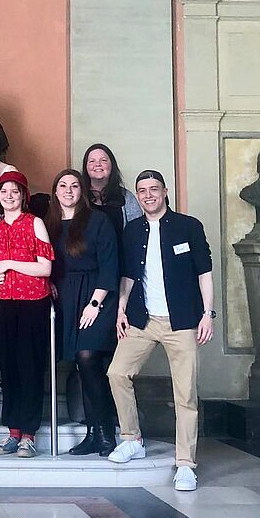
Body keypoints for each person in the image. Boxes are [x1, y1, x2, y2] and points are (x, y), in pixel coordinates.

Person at [107, 170, 214, 492]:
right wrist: (121, 309)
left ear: (165, 191)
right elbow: (127, 274)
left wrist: (207, 315)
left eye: (154, 189)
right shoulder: (133, 229)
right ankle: (131, 438)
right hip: (143, 319)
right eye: (142, 191)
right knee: (117, 373)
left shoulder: (188, 226)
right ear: (137, 196)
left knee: (185, 395)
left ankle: (185, 464)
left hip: (182, 322)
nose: (148, 195)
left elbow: (204, 272)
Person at [46, 170, 119, 457]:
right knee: (80, 362)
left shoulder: (98, 220)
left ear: (82, 191)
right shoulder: (49, 224)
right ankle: (92, 434)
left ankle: (106, 432)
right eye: (62, 185)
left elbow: (110, 265)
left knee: (89, 357)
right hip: (66, 297)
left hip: (96, 295)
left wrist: (95, 302)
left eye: (74, 185)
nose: (68, 190)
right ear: (55, 191)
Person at [0, 172, 54, 459]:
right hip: (6, 303)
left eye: (14, 191)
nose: (9, 196)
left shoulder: (34, 223)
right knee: (9, 368)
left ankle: (29, 434)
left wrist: (11, 263)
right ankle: (13, 432)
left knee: (30, 367)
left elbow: (45, 269)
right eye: (4, 192)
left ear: (23, 195)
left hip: (33, 302)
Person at [80, 143, 142, 264]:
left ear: (112, 165)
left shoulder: (126, 197)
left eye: (103, 160)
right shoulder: (78, 196)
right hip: (85, 265)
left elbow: (137, 234)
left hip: (119, 263)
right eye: (92, 161)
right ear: (86, 167)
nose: (97, 164)